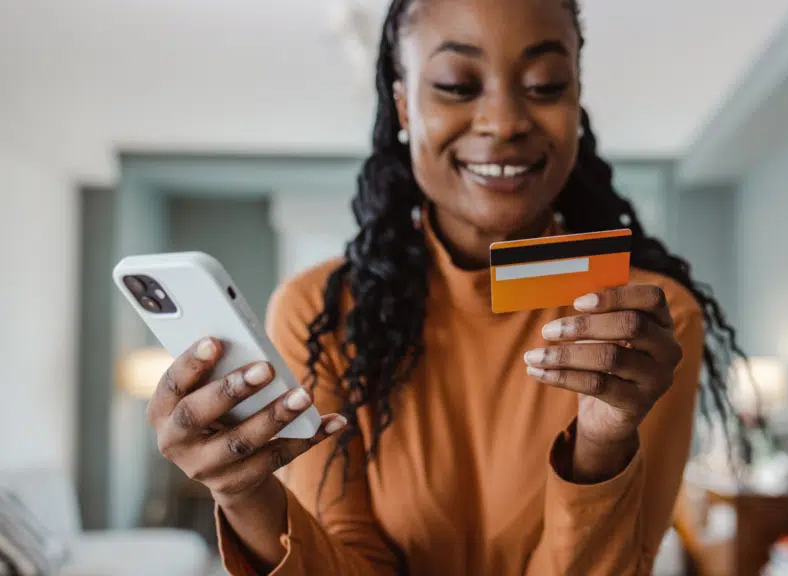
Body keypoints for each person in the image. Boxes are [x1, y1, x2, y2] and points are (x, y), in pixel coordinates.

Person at [145, 0, 744, 574]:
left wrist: (602, 445)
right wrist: (244, 493)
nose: (505, 122)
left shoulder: (647, 323)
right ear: (404, 107)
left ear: (577, 102)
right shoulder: (321, 311)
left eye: (545, 84)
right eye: (458, 85)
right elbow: (350, 557)